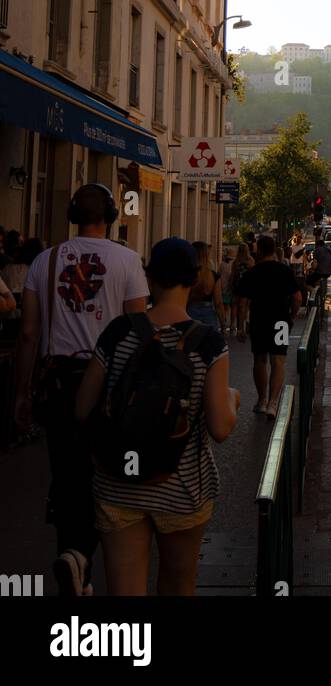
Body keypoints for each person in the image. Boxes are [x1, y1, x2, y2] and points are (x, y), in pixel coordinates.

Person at [75, 237, 239, 596]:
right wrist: (231, 398)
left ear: (149, 278)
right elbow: (220, 428)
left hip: (117, 482)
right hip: (181, 487)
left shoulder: (119, 332)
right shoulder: (208, 343)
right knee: (178, 582)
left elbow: (82, 407)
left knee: (125, 589)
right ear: (194, 280)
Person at [14, 183, 148, 597]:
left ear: (73, 215)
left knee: (66, 474)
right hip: (107, 386)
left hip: (57, 384)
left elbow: (29, 334)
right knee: (105, 477)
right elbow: (137, 334)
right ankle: (83, 561)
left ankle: (73, 561)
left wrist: (20, 393)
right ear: (110, 216)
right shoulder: (127, 260)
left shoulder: (45, 261)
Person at [235, 235, 302, 417]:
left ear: (260, 251)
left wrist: (240, 327)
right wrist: (292, 316)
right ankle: (273, 402)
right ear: (273, 250)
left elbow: (242, 303)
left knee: (260, 360)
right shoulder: (284, 270)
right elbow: (297, 298)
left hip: (259, 320)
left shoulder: (252, 272)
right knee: (278, 360)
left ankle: (262, 400)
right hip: (281, 320)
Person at [187, 242, 226, 335]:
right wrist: (223, 325)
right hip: (208, 315)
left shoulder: (187, 274)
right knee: (210, 345)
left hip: (189, 312)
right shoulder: (213, 276)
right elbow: (218, 303)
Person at [229, 243, 253, 338]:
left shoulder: (236, 261)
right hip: (246, 285)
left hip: (238, 285)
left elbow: (233, 274)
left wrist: (230, 285)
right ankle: (242, 327)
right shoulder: (250, 260)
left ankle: (238, 326)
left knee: (237, 306)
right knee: (244, 307)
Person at [306, 228, 331, 294]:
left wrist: (311, 269)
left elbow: (314, 265)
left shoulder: (316, 250)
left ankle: (314, 293)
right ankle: (320, 293)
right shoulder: (329, 250)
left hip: (321, 272)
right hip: (329, 272)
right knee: (317, 280)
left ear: (317, 245)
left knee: (308, 282)